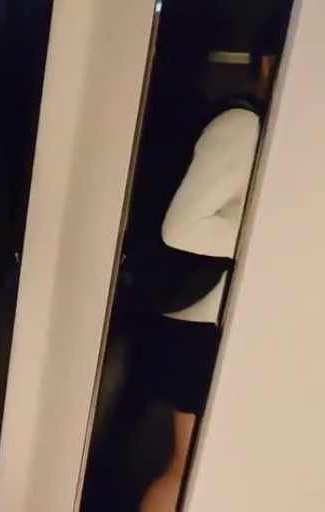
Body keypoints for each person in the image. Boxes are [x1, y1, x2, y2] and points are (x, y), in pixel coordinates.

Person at [137, 13, 287, 512]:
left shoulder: (267, 130)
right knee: (189, 465)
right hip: (202, 321)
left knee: (201, 463)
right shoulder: (242, 125)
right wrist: (261, 241)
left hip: (217, 319)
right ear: (267, 65)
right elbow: (183, 226)